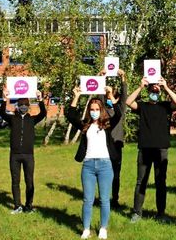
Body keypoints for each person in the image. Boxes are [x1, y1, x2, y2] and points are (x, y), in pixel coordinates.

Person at [65, 84, 123, 239]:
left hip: (105, 165)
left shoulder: (108, 124)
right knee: (87, 199)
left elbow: (119, 113)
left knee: (104, 199)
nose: (94, 112)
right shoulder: (85, 125)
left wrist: (110, 95)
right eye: (92, 109)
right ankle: (86, 229)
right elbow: (70, 115)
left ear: (101, 110)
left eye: (97, 109)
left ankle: (103, 228)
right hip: (88, 166)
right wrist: (76, 96)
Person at [125, 75, 176, 222]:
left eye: (157, 91)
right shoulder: (142, 106)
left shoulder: (165, 106)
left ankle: (161, 214)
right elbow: (128, 102)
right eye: (152, 90)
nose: (155, 92)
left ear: (160, 93)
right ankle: (137, 213)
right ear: (148, 91)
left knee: (160, 182)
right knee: (141, 181)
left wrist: (166, 87)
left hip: (161, 150)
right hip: (144, 149)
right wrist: (140, 86)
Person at [1, 85, 47, 214]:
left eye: (25, 104)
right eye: (21, 104)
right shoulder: (12, 119)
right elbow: (2, 113)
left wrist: (40, 100)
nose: (23, 107)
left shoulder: (32, 119)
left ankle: (28, 206)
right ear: (17, 106)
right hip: (14, 155)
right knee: (15, 181)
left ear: (28, 106)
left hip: (28, 155)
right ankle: (17, 206)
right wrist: (5, 99)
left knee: (29, 181)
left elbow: (43, 113)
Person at [104, 70, 128, 209]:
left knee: (116, 175)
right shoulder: (103, 109)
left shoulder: (120, 108)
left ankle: (115, 199)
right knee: (103, 174)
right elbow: (99, 97)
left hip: (117, 144)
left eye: (111, 93)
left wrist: (123, 78)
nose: (109, 96)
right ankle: (104, 198)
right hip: (104, 145)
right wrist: (102, 77)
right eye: (107, 94)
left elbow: (124, 95)